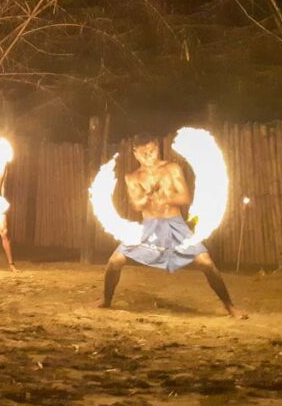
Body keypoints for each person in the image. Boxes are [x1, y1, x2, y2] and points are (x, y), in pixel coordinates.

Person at [101, 134, 245, 318]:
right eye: (143, 153)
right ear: (135, 154)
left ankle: (230, 306)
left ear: (157, 148)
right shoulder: (133, 177)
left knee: (206, 262)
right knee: (115, 261)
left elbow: (185, 198)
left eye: (151, 151)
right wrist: (149, 195)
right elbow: (136, 205)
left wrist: (165, 196)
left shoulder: (172, 169)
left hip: (175, 225)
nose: (148, 156)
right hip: (149, 228)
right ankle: (106, 300)